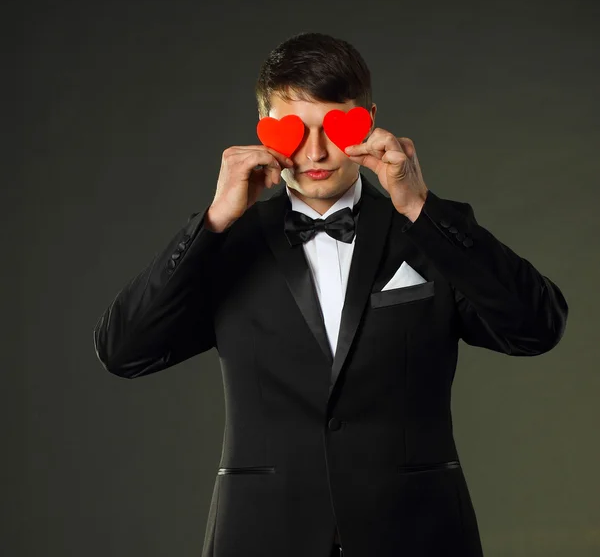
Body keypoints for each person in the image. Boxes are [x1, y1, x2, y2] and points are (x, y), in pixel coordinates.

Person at [93, 32, 568, 557]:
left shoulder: (430, 230)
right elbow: (124, 351)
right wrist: (210, 223)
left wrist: (420, 208)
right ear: (265, 129)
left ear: (368, 119)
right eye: (294, 130)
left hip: (417, 534)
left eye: (335, 126)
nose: (315, 152)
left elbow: (537, 329)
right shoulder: (227, 246)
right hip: (261, 535)